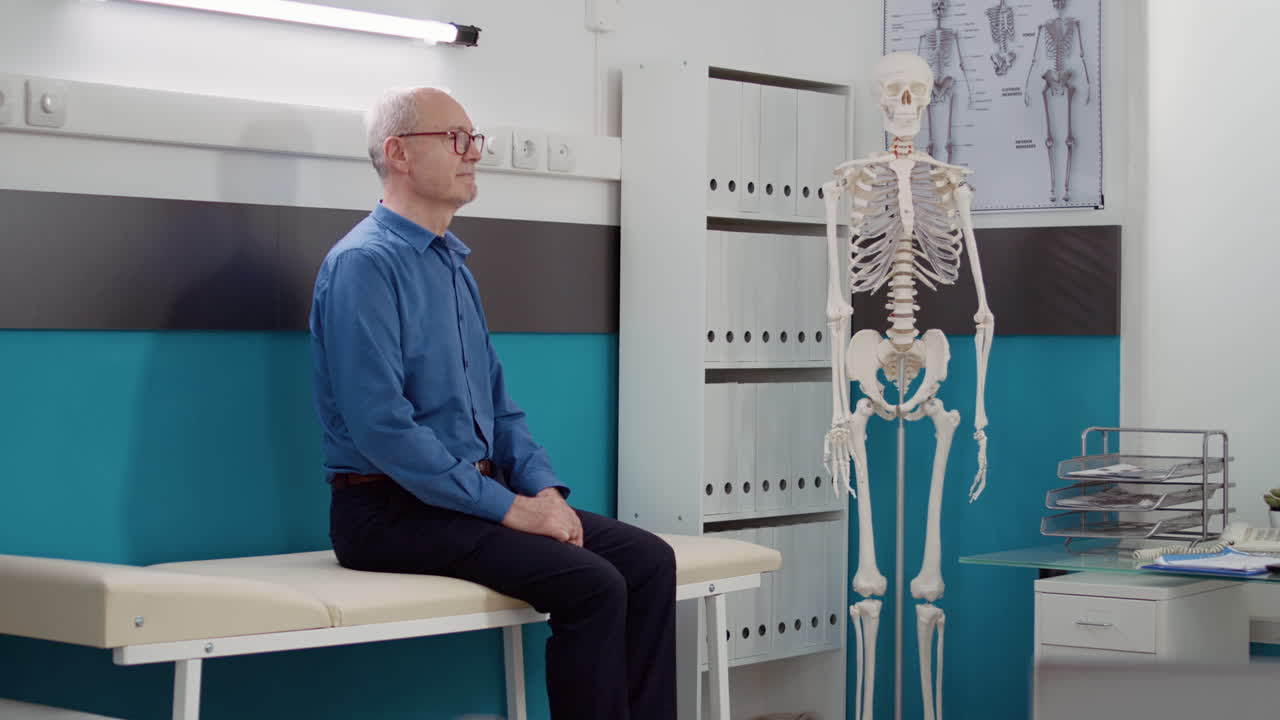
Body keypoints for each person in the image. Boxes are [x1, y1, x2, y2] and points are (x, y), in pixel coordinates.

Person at [309, 86, 677, 720]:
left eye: (474, 138)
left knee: (648, 560)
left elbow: (500, 410)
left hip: (466, 502)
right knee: (591, 584)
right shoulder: (363, 265)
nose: (474, 152)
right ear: (399, 153)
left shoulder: (454, 268)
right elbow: (382, 428)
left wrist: (544, 493)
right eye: (456, 139)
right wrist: (510, 509)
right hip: (385, 513)